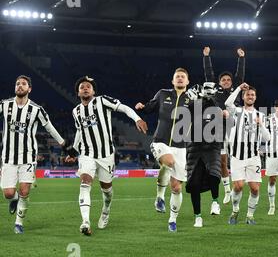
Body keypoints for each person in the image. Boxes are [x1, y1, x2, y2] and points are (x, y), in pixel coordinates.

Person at [67, 76, 147, 236]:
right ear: (78, 92)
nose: (85, 88)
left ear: (93, 91)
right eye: (82, 87)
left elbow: (123, 108)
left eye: (88, 86)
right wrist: (73, 151)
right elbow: (79, 132)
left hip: (106, 155)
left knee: (107, 190)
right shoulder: (76, 111)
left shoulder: (102, 101)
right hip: (87, 154)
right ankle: (85, 221)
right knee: (85, 182)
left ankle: (106, 211)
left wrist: (137, 118)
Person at [0, 75, 76, 234]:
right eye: (17, 83)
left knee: (25, 191)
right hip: (8, 158)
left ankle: (19, 223)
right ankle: (13, 200)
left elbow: (50, 128)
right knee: (8, 193)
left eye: (23, 84)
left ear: (30, 89)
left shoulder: (36, 109)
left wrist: (65, 146)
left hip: (28, 157)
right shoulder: (5, 104)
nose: (20, 86)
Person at [135, 68, 191, 232]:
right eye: (177, 77)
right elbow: (149, 107)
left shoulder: (193, 99)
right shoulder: (162, 94)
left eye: (183, 77)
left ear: (187, 82)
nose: (180, 79)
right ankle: (159, 196)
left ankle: (172, 220)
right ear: (172, 81)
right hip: (161, 141)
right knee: (168, 162)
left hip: (182, 147)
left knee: (176, 188)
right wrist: (141, 108)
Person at [203, 46, 245, 205]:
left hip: (236, 129)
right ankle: (227, 191)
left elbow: (240, 75)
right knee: (221, 161)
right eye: (223, 80)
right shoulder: (216, 91)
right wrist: (206, 57)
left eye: (228, 80)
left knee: (236, 159)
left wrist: (241, 59)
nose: (226, 81)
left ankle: (238, 185)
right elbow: (209, 74)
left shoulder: (236, 89)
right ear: (219, 83)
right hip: (218, 130)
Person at [225, 83, 271, 225]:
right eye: (248, 94)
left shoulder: (261, 115)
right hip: (237, 156)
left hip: (253, 157)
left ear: (255, 98)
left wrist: (260, 125)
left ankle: (250, 216)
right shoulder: (237, 111)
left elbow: (268, 138)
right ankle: (235, 210)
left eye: (252, 95)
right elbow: (227, 103)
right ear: (243, 97)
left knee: (255, 188)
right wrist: (239, 88)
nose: (250, 96)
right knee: (238, 186)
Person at [184, 82, 226, 227]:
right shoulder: (195, 103)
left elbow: (220, 111)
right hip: (194, 146)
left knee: (214, 174)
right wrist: (192, 100)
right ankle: (198, 217)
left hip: (212, 145)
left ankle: (215, 202)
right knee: (194, 184)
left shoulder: (217, 102)